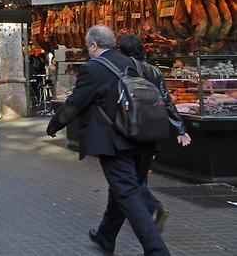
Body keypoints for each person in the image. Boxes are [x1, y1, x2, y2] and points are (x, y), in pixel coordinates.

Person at [46, 25, 191, 256]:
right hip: (145, 137)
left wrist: (54, 125)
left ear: (94, 45)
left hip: (115, 143)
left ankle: (157, 251)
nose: (88, 50)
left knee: (127, 193)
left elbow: (75, 103)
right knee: (122, 189)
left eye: (88, 46)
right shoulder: (136, 65)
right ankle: (106, 236)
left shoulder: (93, 69)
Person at [118, 34, 190, 235]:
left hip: (129, 126)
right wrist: (179, 128)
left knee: (128, 175)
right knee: (140, 170)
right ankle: (137, 213)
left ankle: (151, 208)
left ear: (121, 51)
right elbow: (166, 100)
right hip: (152, 127)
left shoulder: (124, 69)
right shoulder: (154, 71)